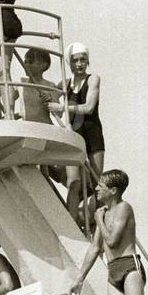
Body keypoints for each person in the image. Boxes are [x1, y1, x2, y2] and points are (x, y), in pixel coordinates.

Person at [49, 42, 104, 224]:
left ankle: (93, 223)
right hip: (74, 135)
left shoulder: (93, 79)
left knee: (96, 184)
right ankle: (71, 223)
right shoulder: (64, 84)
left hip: (93, 135)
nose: (79, 64)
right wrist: (51, 102)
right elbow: (54, 105)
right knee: (73, 183)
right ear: (69, 63)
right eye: (75, 61)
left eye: (83, 60)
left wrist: (62, 106)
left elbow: (89, 107)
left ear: (87, 61)